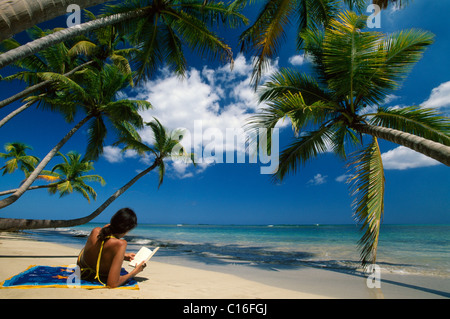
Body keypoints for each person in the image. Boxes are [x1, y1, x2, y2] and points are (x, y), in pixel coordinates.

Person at [77, 208, 146, 288]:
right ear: (127, 229)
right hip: (96, 276)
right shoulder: (120, 244)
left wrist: (123, 256)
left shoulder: (96, 230)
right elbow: (112, 284)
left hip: (81, 271)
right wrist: (134, 272)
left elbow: (102, 247)